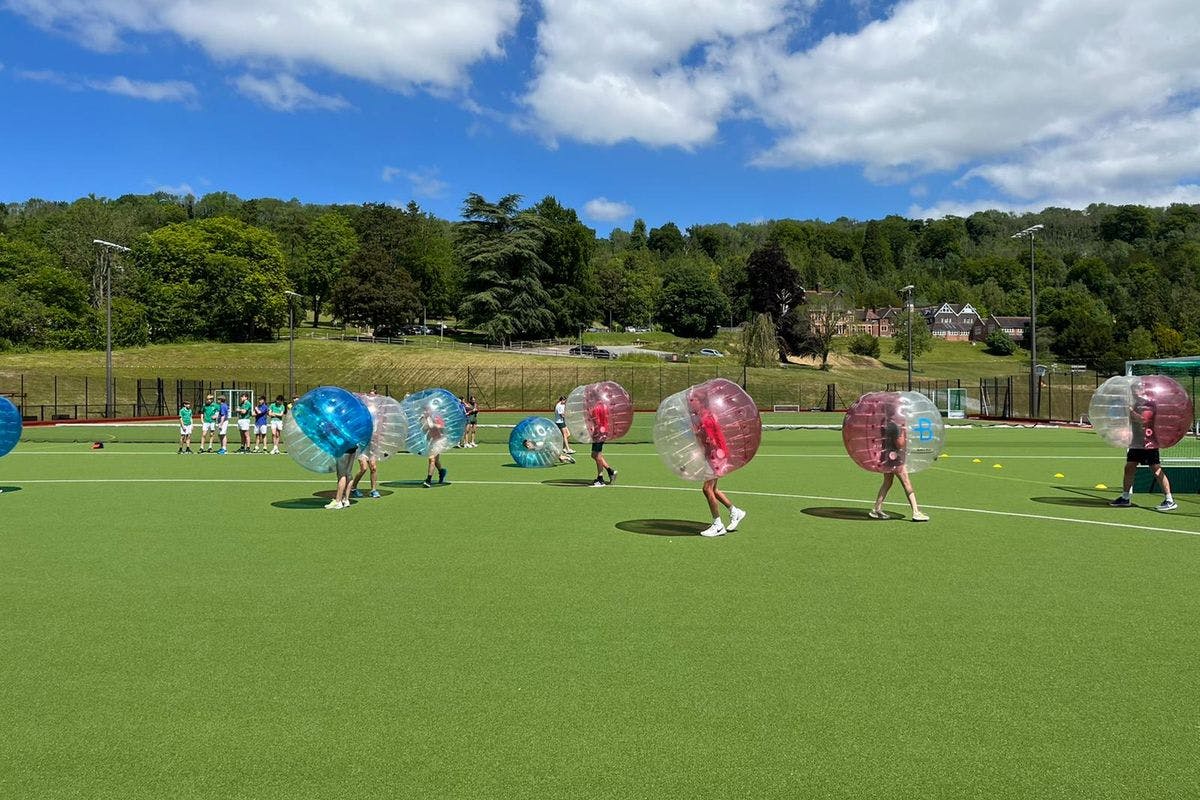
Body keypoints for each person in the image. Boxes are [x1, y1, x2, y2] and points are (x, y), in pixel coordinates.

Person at [689, 387, 745, 537]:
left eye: (692, 400)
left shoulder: (706, 418)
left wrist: (699, 436)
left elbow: (710, 441)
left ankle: (718, 525)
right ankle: (735, 511)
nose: (690, 403)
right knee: (713, 490)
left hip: (717, 456)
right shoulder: (703, 415)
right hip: (716, 455)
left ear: (700, 402)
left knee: (707, 489)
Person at [1111, 381, 1176, 511]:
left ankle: (1169, 500)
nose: (1134, 392)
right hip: (1136, 442)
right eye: (1133, 390)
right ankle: (1125, 497)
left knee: (1156, 470)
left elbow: (1143, 420)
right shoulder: (1135, 404)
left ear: (1143, 390)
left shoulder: (1148, 404)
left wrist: (1129, 411)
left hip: (1148, 442)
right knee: (1129, 467)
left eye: (1137, 389)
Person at [870, 404, 928, 522]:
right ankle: (916, 512)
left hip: (886, 456)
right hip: (895, 459)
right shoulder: (895, 425)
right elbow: (900, 444)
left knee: (887, 482)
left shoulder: (884, 422)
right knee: (906, 483)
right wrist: (904, 429)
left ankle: (876, 509)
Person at [586, 385, 617, 487]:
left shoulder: (595, 408)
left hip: (599, 433)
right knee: (594, 455)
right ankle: (610, 471)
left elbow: (596, 423)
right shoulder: (604, 406)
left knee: (597, 455)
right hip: (603, 432)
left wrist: (592, 430)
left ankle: (600, 479)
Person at [421, 403, 449, 488]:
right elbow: (424, 430)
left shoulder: (436, 417)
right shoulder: (424, 419)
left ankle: (428, 480)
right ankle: (441, 471)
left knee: (431, 459)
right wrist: (424, 422)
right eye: (424, 410)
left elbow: (443, 427)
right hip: (432, 441)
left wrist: (434, 425)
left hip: (440, 440)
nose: (425, 411)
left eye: (427, 410)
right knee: (436, 461)